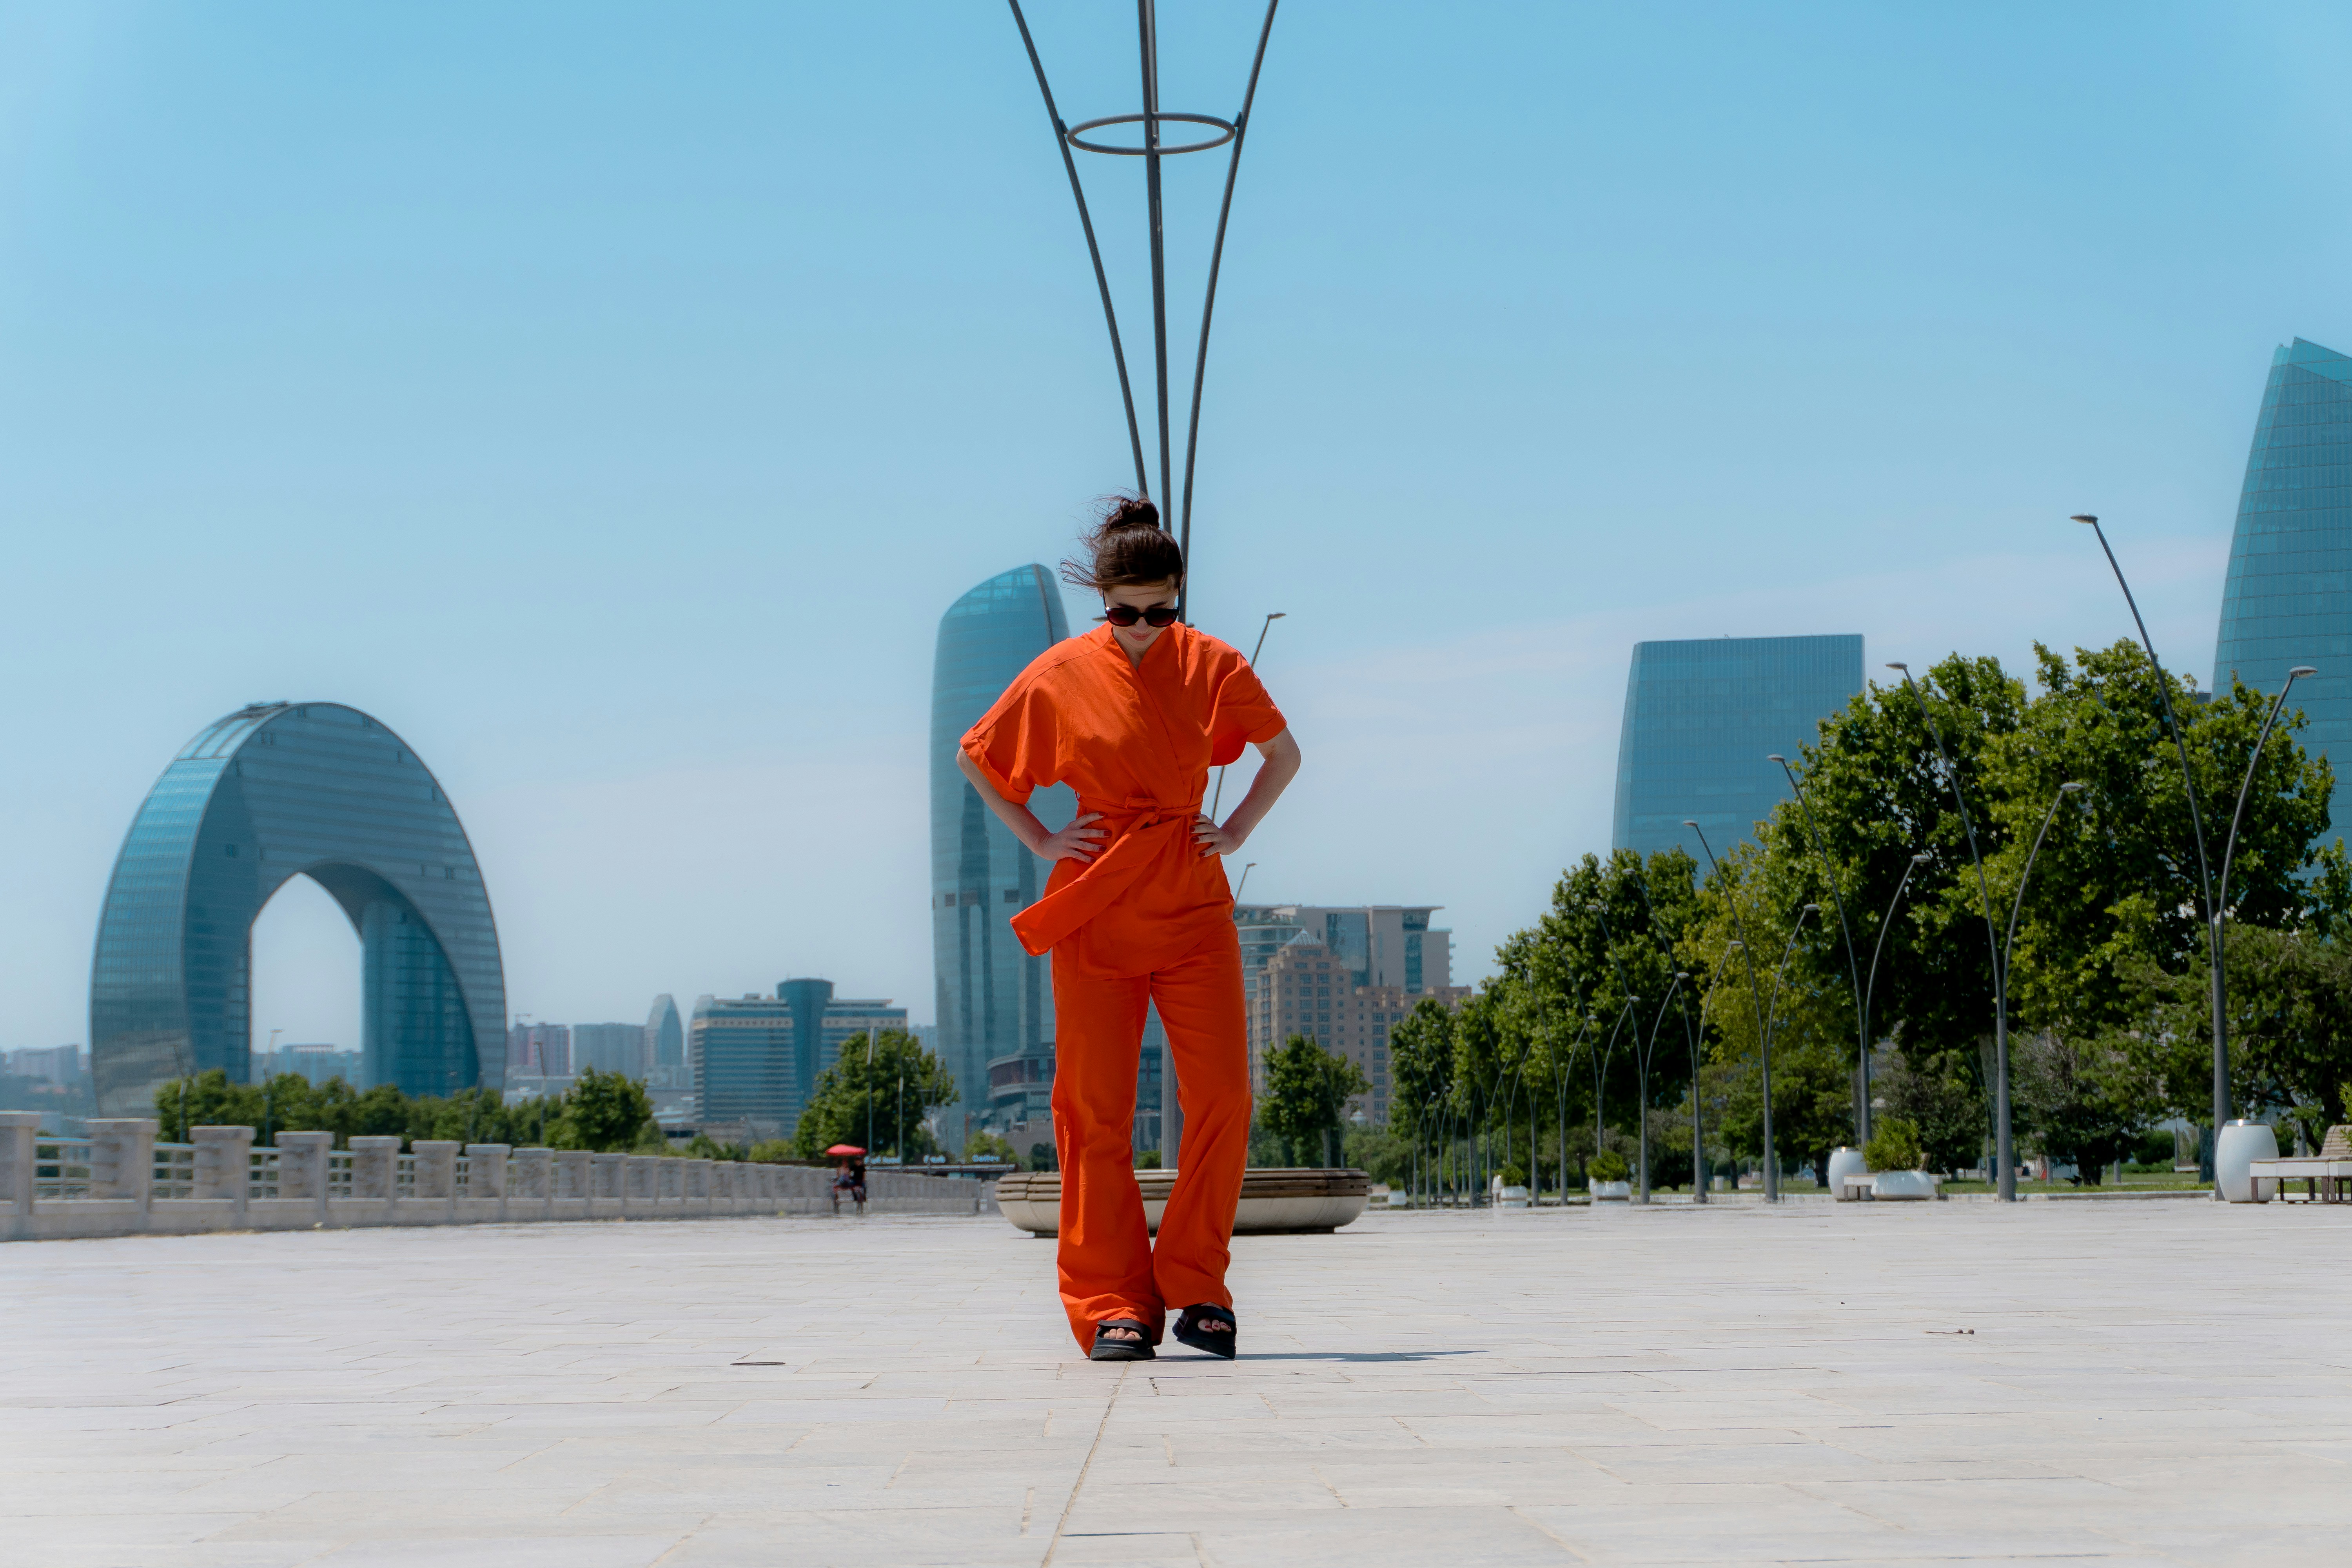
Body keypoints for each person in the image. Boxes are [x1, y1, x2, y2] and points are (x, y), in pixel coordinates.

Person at [957, 496, 1302, 1361]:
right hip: (1099, 900)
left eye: (1161, 611)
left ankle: (1198, 1281)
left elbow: (1284, 754)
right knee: (1093, 1109)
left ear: (1180, 597)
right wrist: (1043, 839)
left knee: (1223, 1096)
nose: (1144, 627)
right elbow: (977, 754)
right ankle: (1113, 1300)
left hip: (1191, 898)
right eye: (1125, 613)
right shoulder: (1061, 671)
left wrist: (1235, 831)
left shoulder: (1215, 663)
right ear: (1102, 601)